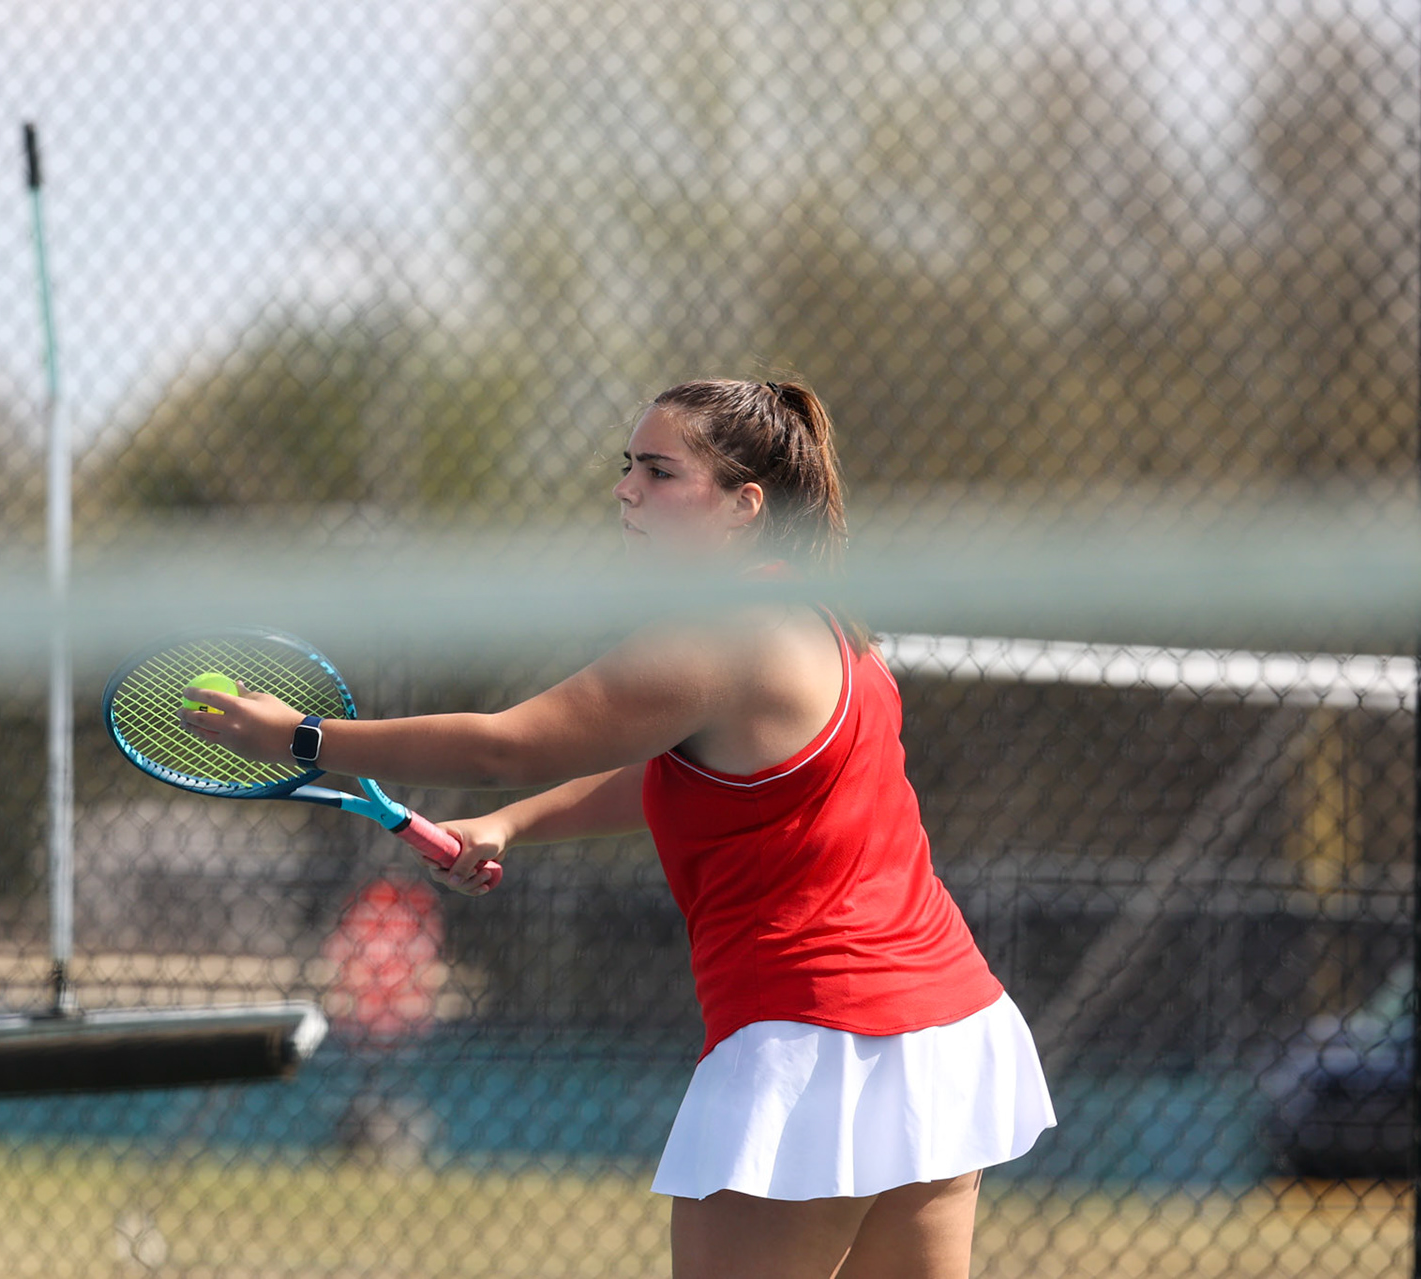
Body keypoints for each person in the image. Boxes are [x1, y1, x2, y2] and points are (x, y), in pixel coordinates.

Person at [178, 377, 1055, 1279]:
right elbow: (677, 773)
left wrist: (297, 736)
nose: (627, 489)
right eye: (627, 466)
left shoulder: (720, 635)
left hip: (817, 1044)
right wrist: (513, 824)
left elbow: (506, 744)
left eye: (661, 471)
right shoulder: (820, 617)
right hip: (946, 1031)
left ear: (743, 506)